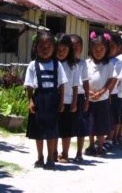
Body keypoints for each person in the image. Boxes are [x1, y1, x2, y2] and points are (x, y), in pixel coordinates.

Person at [24, 32, 68, 170]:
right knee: (39, 131)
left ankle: (50, 157)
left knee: (51, 131)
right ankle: (40, 157)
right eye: (42, 46)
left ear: (54, 48)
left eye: (49, 46)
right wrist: (30, 101)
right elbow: (29, 85)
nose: (45, 49)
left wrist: (61, 102)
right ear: (36, 48)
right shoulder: (32, 65)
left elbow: (62, 85)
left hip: (53, 99)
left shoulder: (57, 65)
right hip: (38, 99)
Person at [85, 31, 117, 156]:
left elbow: (112, 79)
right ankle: (91, 144)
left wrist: (103, 91)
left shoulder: (108, 64)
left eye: (101, 49)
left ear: (106, 49)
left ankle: (100, 146)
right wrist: (89, 92)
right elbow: (84, 80)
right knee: (91, 123)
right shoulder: (87, 63)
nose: (98, 51)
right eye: (95, 49)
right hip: (89, 99)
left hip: (102, 99)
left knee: (102, 125)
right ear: (91, 49)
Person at [55, 34, 79, 163]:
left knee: (66, 130)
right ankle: (53, 153)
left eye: (64, 50)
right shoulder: (52, 64)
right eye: (59, 50)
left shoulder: (73, 66)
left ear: (69, 50)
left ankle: (64, 153)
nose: (61, 52)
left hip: (68, 101)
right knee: (54, 129)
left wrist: (75, 102)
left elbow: (76, 86)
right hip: (54, 101)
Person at [70, 34, 90, 162]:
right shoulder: (63, 63)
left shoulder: (82, 64)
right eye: (72, 46)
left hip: (81, 96)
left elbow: (86, 82)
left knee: (81, 125)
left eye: (77, 46)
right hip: (67, 97)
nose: (75, 49)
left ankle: (79, 153)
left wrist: (88, 98)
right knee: (65, 124)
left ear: (81, 49)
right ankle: (63, 151)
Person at [108, 34, 122, 146]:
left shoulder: (119, 61)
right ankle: (108, 137)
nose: (109, 48)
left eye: (112, 46)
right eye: (108, 45)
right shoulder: (104, 60)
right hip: (105, 94)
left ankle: (112, 138)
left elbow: (118, 80)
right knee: (107, 117)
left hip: (115, 94)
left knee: (115, 118)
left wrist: (108, 91)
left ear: (118, 48)